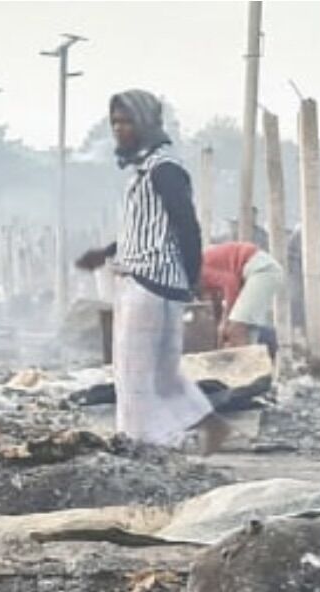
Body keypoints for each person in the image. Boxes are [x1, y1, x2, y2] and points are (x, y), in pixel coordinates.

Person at [75, 89, 231, 454]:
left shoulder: (164, 169)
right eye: (115, 122)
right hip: (151, 281)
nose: (119, 129)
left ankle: (137, 445)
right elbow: (148, 228)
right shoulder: (146, 168)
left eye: (127, 121)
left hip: (149, 284)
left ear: (146, 123)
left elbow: (187, 226)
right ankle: (209, 427)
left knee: (132, 374)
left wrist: (193, 276)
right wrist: (106, 252)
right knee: (162, 374)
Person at [198, 240, 286, 358]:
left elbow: (230, 282)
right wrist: (220, 323)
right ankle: (257, 371)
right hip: (258, 272)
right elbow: (216, 299)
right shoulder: (201, 278)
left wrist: (226, 321)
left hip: (262, 270)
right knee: (247, 334)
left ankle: (243, 373)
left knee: (236, 329)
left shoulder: (197, 270)